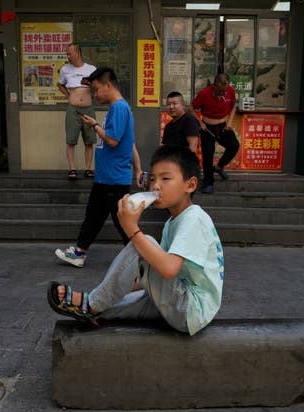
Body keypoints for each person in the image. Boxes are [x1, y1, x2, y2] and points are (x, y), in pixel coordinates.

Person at [47, 145, 225, 336]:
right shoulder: (172, 223)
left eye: (165, 178)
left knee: (143, 242)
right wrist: (120, 287)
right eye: (152, 179)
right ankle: (91, 308)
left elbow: (168, 269)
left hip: (189, 308)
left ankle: (90, 304)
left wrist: (132, 229)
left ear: (190, 185)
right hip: (180, 303)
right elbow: (153, 269)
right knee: (116, 305)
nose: (156, 186)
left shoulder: (194, 218)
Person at [55, 67, 142, 268]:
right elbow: (130, 143)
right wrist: (138, 169)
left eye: (95, 89)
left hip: (113, 179)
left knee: (122, 223)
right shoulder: (118, 108)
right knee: (94, 217)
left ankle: (142, 255)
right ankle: (79, 252)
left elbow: (112, 140)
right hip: (107, 178)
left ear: (108, 85)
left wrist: (94, 125)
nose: (94, 94)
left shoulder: (119, 108)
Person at [191, 72, 239, 193]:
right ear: (215, 86)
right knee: (208, 155)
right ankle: (208, 182)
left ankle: (219, 166)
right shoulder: (204, 93)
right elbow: (191, 107)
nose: (223, 94)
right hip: (207, 128)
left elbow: (233, 106)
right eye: (220, 91)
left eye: (225, 91)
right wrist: (200, 123)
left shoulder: (230, 91)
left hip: (223, 126)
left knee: (234, 146)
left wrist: (229, 123)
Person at [57, 43, 97, 180]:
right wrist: (68, 96)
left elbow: (98, 87)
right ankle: (72, 169)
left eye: (70, 53)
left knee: (89, 140)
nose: (68, 56)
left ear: (78, 53)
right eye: (67, 54)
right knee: (71, 140)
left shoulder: (91, 69)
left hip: (88, 107)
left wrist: (90, 84)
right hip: (73, 108)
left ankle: (88, 169)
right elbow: (60, 84)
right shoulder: (65, 69)